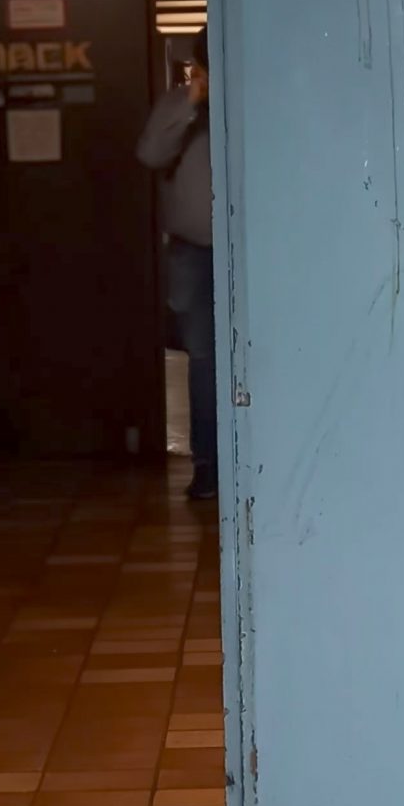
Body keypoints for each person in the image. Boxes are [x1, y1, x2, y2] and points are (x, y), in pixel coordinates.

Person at [138, 54, 216, 501]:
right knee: (203, 359)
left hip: (256, 249)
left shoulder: (256, 97)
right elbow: (150, 154)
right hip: (193, 251)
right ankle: (208, 466)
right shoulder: (177, 105)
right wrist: (191, 102)